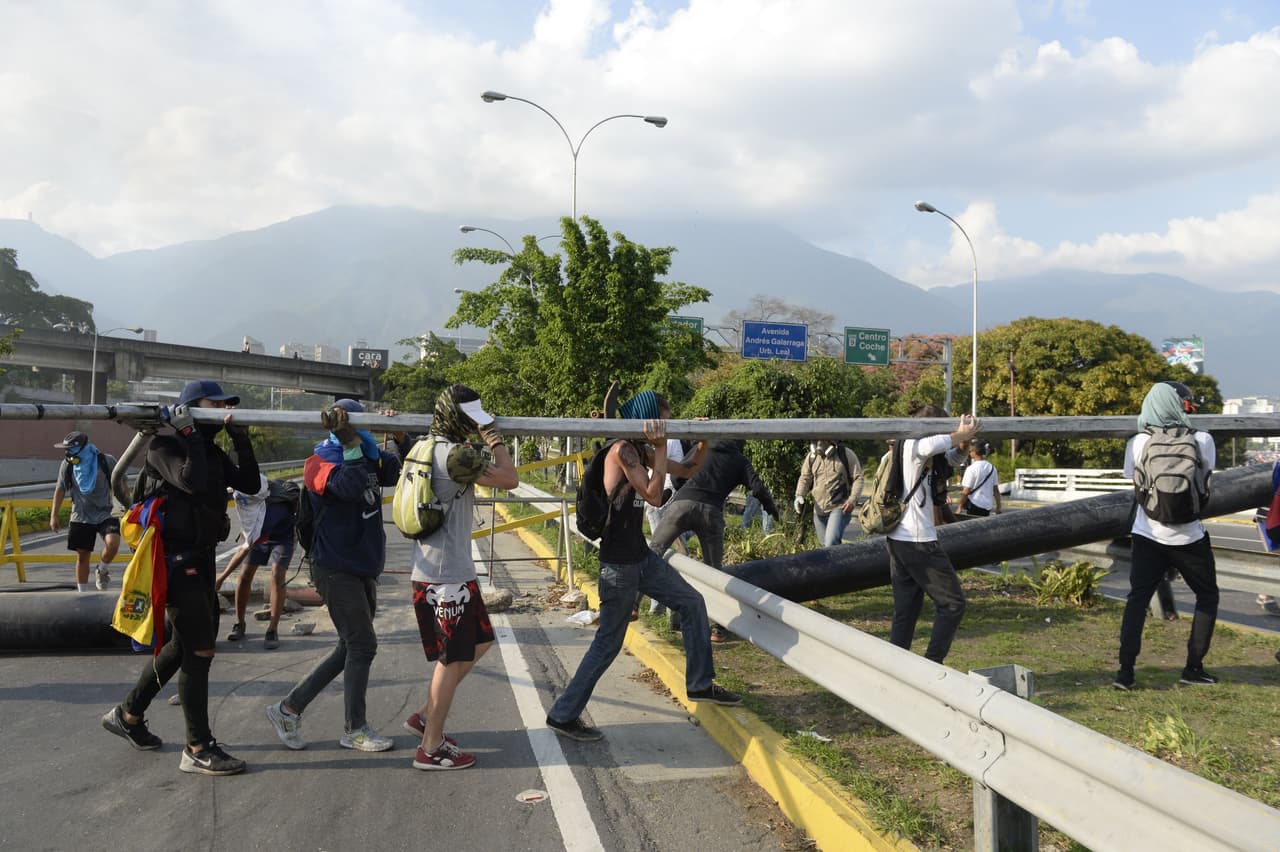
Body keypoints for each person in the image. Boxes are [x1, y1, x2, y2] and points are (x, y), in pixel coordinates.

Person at [546, 392, 742, 742]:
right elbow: (654, 495)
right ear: (648, 418)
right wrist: (663, 447)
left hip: (641, 559)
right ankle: (563, 715)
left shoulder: (640, 450)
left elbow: (687, 471)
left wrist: (703, 440)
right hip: (619, 567)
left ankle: (699, 684)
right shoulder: (622, 450)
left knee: (692, 603)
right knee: (608, 644)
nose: (664, 427)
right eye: (662, 420)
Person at [101, 379, 259, 776]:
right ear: (191, 407)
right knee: (200, 650)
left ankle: (128, 714)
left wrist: (241, 440)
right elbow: (189, 480)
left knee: (180, 646)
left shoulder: (208, 448)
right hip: (174, 563)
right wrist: (189, 433)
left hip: (201, 560)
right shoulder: (164, 446)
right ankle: (198, 746)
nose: (222, 408)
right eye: (215, 403)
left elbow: (251, 484)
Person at [266, 398, 401, 752]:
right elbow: (349, 487)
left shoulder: (368, 452)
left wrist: (398, 435)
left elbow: (394, 472)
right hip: (334, 566)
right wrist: (353, 446)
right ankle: (355, 728)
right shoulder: (317, 463)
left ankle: (288, 708)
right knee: (362, 644)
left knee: (350, 646)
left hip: (364, 563)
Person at [399, 385, 518, 771]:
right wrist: (495, 439)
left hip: (433, 570)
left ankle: (423, 717)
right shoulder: (456, 455)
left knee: (481, 641)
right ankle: (430, 747)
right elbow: (510, 478)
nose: (474, 426)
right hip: (447, 576)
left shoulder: (423, 447)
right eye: (471, 420)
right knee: (451, 661)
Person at [1114, 381, 1219, 690]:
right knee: (1208, 596)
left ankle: (1125, 673)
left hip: (1147, 534)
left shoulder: (1138, 442)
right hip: (1189, 537)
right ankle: (1193, 668)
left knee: (1137, 600)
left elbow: (1133, 481)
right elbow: (1205, 481)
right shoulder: (1202, 439)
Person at [649, 439, 779, 642]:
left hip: (682, 504)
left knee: (653, 551)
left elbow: (677, 477)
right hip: (711, 512)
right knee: (714, 573)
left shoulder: (703, 446)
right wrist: (772, 508)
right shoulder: (740, 460)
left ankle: (630, 605)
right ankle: (718, 628)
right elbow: (758, 488)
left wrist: (687, 486)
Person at [885, 406, 978, 664]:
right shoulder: (913, 446)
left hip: (900, 540)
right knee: (953, 604)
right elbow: (930, 446)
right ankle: (931, 663)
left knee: (906, 610)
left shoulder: (919, 453)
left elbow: (952, 460)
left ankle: (896, 665)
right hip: (917, 542)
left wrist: (962, 441)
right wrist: (959, 433)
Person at [220, 475, 295, 649]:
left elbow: (244, 548)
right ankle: (239, 623)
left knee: (277, 574)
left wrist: (221, 578)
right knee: (245, 575)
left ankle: (272, 629)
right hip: (260, 535)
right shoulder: (251, 503)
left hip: (282, 537)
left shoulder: (270, 511)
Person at [50, 431, 120, 592]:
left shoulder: (105, 460)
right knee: (82, 556)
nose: (67, 452)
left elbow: (120, 484)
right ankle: (82, 594)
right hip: (81, 515)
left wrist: (128, 507)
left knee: (113, 543)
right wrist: (54, 515)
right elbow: (60, 489)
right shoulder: (68, 464)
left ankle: (102, 569)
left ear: (81, 447)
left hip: (106, 512)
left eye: (70, 449)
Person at [794, 439, 863, 547]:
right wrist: (799, 495)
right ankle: (842, 563)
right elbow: (805, 478)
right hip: (819, 509)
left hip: (840, 506)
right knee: (824, 547)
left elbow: (858, 478)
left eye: (823, 439)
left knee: (830, 543)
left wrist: (852, 500)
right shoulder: (812, 457)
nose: (819, 443)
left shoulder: (845, 454)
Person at [958, 441, 1001, 517]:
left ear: (974, 452)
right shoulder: (992, 468)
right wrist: (998, 507)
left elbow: (966, 491)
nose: (969, 453)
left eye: (970, 451)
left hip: (974, 504)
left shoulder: (971, 469)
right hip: (987, 506)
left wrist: (960, 507)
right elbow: (996, 490)